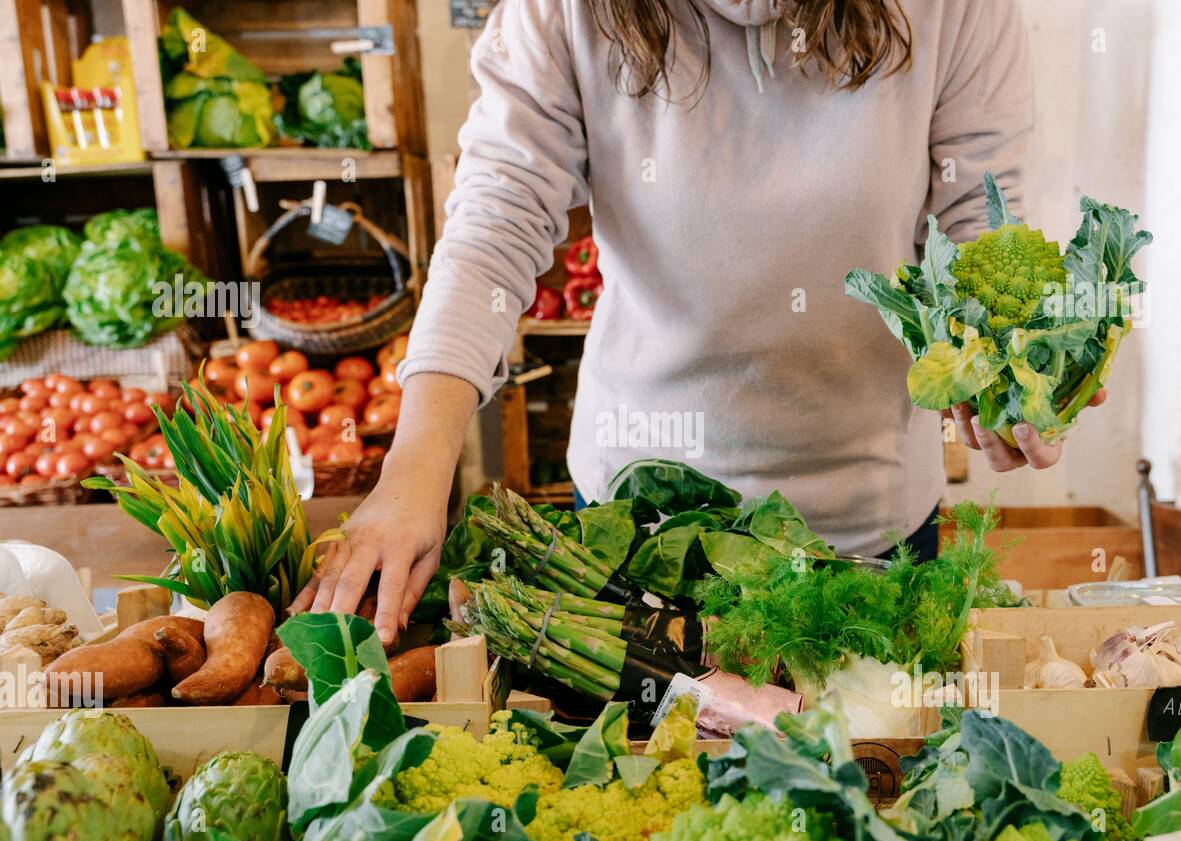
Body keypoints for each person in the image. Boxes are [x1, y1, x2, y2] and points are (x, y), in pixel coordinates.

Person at [291, 0, 1105, 646]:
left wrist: (1008, 364)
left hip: (866, 522)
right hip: (635, 523)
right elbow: (494, 224)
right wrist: (415, 470)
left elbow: (979, 212)